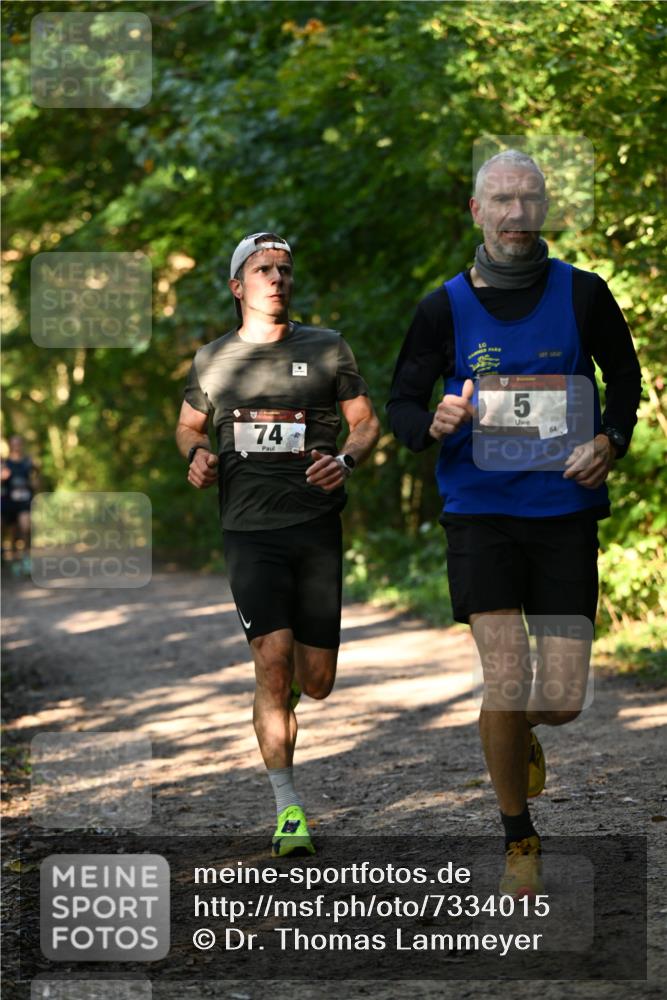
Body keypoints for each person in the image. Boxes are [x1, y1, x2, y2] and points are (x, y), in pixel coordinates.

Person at [387, 151, 642, 896]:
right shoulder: (441, 308)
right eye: (500, 200)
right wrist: (431, 420)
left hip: (563, 513)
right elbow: (402, 404)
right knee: (505, 677)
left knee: (558, 699)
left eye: (527, 199)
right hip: (478, 515)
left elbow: (622, 380)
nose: (514, 215)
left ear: (544, 208)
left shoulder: (583, 295)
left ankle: (517, 725)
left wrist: (609, 441)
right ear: (476, 212)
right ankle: (518, 837)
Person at [176, 232, 380, 856]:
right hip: (248, 532)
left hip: (315, 528)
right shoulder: (213, 361)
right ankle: (288, 808)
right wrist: (198, 455)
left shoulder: (326, 348)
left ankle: (284, 693)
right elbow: (187, 426)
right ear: (238, 286)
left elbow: (366, 421)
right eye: (263, 269)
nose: (277, 278)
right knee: (273, 656)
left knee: (314, 681)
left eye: (285, 269)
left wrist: (345, 461)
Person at [1, 434, 38, 575]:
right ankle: (15, 560)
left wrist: (35, 481)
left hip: (24, 502)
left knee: (26, 528)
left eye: (18, 443)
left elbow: (36, 482)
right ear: (10, 445)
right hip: (9, 502)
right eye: (13, 443)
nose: (16, 446)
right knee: (13, 533)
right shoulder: (5, 464)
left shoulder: (29, 463)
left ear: (22, 445)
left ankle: (27, 559)